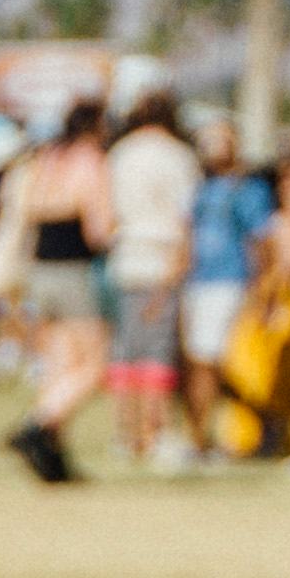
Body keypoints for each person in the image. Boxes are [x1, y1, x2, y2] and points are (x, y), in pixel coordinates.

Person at [0, 95, 115, 483]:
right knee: (95, 364)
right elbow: (98, 227)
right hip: (72, 269)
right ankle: (37, 425)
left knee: (59, 364)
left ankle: (53, 459)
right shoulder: (89, 160)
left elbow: (27, 210)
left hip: (40, 268)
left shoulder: (47, 159)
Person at [104, 85, 199, 472]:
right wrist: (182, 263)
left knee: (128, 352)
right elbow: (184, 216)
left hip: (125, 258)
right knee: (158, 354)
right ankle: (155, 434)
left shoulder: (120, 153)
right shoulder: (178, 156)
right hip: (162, 257)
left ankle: (127, 435)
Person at [177, 113, 273, 459]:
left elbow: (261, 242)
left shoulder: (248, 190)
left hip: (228, 283)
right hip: (197, 283)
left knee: (205, 361)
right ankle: (264, 422)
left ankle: (198, 440)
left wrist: (261, 290)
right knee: (204, 363)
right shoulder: (201, 187)